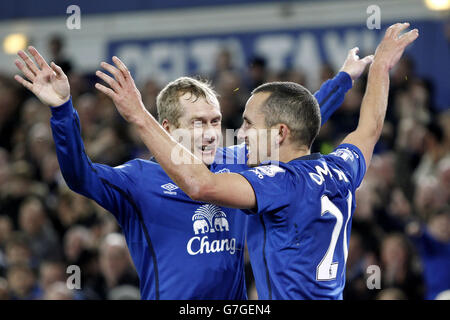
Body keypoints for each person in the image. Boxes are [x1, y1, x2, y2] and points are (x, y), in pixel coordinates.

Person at [13, 45, 370, 299]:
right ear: (166, 127)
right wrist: (62, 111)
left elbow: (292, 122)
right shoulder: (138, 179)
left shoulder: (237, 163)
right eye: (198, 123)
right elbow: (80, 176)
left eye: (215, 121)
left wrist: (343, 79)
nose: (212, 132)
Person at [92, 22, 419, 299]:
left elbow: (199, 184)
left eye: (248, 125)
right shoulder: (341, 167)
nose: (240, 134)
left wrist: (138, 116)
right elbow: (370, 127)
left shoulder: (276, 182)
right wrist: (379, 69)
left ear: (278, 134)